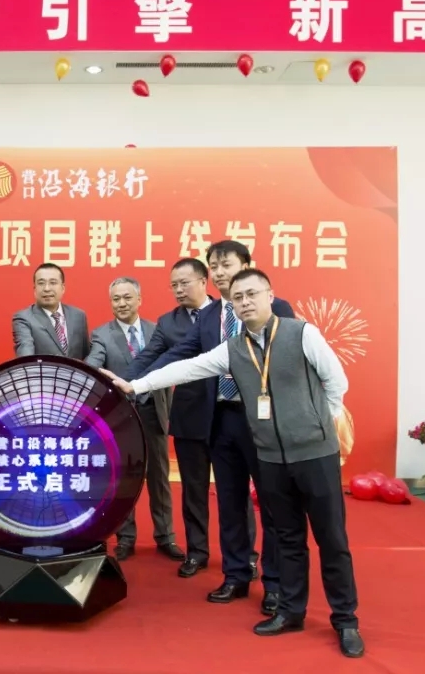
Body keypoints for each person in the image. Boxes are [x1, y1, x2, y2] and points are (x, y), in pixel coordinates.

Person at [103, 268, 364, 659]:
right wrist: (136, 385)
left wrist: (317, 427)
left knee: (332, 539)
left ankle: (345, 620)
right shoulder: (233, 348)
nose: (245, 302)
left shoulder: (301, 334)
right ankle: (291, 611)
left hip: (315, 455)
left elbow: (336, 383)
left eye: (252, 294)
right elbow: (187, 368)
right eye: (238, 297)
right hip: (271, 458)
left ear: (270, 295)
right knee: (289, 538)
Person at [126, 242, 284, 609]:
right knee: (228, 500)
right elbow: (176, 358)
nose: (220, 272)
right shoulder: (211, 316)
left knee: (272, 504)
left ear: (247, 265)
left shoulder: (276, 308)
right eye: (215, 266)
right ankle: (235, 575)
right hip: (219, 419)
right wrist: (132, 383)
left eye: (226, 264)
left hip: (261, 420)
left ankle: (275, 584)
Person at [85, 276, 184, 563]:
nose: (122, 303)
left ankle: (165, 536)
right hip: (122, 418)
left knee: (159, 478)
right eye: (116, 299)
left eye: (127, 297)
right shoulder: (101, 334)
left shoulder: (157, 331)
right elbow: (93, 365)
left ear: (139, 299)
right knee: (123, 479)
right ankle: (126, 538)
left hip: (154, 411)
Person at [12, 263, 90, 360]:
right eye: (41, 283)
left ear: (63, 288)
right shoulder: (24, 318)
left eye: (53, 283)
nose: (47, 289)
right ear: (34, 289)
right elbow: (26, 356)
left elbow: (86, 357)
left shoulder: (78, 316)